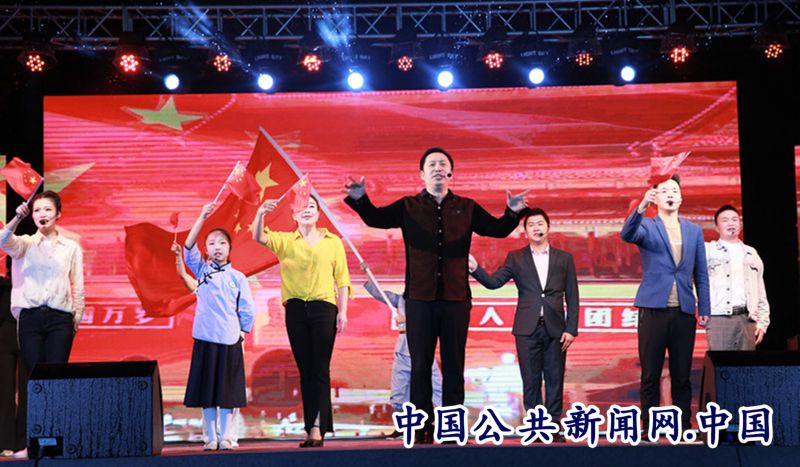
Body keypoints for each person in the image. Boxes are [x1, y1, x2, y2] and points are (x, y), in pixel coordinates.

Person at [343, 147, 528, 442]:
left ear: (451, 173)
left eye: (443, 164)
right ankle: (422, 428)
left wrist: (513, 212)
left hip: (456, 299)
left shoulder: (467, 207)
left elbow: (497, 229)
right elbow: (376, 218)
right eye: (432, 165)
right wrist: (360, 199)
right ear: (422, 174)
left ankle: (451, 428)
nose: (438, 168)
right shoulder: (408, 206)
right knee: (420, 366)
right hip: (419, 299)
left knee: (454, 366)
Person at [253, 195, 351, 448]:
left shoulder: (333, 242)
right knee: (305, 370)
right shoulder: (286, 241)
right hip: (296, 309)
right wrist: (261, 212)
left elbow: (342, 279)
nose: (307, 211)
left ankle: (317, 428)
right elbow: (258, 237)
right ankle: (312, 427)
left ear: (318, 214)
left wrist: (343, 311)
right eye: (302, 208)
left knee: (320, 368)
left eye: (312, 207)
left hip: (324, 308)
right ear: (294, 215)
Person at [468, 208, 578, 431]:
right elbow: (494, 283)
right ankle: (536, 425)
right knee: (530, 380)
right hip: (527, 329)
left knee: (555, 379)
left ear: (548, 227)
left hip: (556, 329)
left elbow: (573, 296)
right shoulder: (516, 258)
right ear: (525, 232)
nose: (536, 228)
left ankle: (554, 424)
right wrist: (476, 269)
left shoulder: (564, 258)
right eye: (531, 225)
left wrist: (571, 328)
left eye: (540, 224)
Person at [620, 175, 710, 432]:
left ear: (681, 197)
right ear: (656, 197)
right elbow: (627, 234)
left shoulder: (693, 231)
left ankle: (683, 425)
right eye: (664, 191)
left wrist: (704, 307)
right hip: (653, 310)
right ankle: (648, 426)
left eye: (675, 191)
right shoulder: (648, 226)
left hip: (683, 311)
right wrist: (641, 206)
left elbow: (701, 273)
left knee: (682, 374)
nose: (670, 194)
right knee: (650, 373)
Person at [0, 191, 84, 459]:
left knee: (56, 380)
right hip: (30, 319)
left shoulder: (71, 247)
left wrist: (76, 317)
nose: (42, 215)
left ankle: (57, 442)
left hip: (60, 319)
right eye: (37, 211)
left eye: (47, 210)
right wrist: (16, 218)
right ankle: (35, 443)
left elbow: (78, 285)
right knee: (35, 382)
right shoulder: (24, 244)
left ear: (58, 214)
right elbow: (2, 240)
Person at [182, 203, 254, 451]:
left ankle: (226, 437)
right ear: (206, 249)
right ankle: (210, 437)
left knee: (228, 393)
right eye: (211, 243)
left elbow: (246, 309)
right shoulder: (201, 270)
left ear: (230, 248)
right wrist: (202, 216)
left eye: (222, 243)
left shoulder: (238, 277)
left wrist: (241, 333)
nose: (217, 247)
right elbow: (187, 247)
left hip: (230, 339)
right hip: (205, 337)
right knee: (207, 391)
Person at [362, 278, 443, 438]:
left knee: (437, 388)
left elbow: (430, 321)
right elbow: (381, 294)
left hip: (422, 348)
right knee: (399, 392)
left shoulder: (428, 302)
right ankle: (403, 427)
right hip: (403, 350)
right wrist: (367, 278)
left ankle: (441, 424)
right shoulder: (400, 300)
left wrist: (407, 321)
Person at [705, 205, 769, 350]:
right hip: (718, 318)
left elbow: (760, 289)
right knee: (720, 363)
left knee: (745, 364)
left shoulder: (751, 253)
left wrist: (763, 322)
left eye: (735, 219)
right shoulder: (708, 250)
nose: (731, 223)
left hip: (747, 319)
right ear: (717, 228)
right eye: (725, 220)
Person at [0, 273, 26, 457]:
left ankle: (22, 441)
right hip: (5, 332)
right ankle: (6, 441)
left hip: (29, 331)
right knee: (5, 389)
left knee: (27, 389)